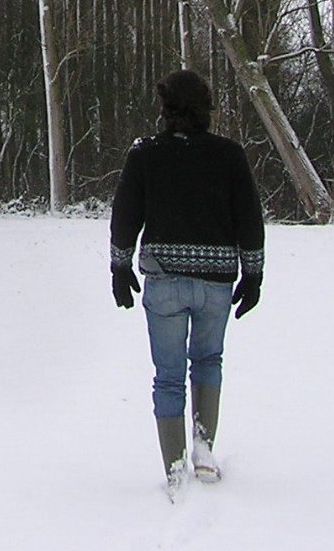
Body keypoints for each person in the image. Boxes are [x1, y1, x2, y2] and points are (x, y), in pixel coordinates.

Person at [109, 68, 265, 487]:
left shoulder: (145, 154)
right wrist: (253, 274)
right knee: (208, 360)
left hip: (164, 282)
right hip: (216, 282)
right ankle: (204, 450)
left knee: (168, 375)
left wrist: (120, 265)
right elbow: (249, 218)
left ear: (166, 108)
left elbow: (125, 214)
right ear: (206, 109)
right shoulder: (229, 155)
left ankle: (174, 466)